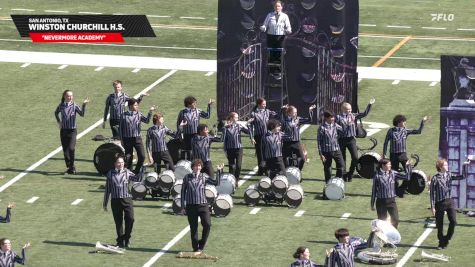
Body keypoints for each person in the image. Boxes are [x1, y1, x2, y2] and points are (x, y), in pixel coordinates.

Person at [180, 160, 223, 254]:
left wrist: (219, 171)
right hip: (191, 206)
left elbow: (216, 183)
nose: (198, 167)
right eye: (196, 166)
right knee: (194, 228)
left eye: (199, 166)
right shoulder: (187, 177)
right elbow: (183, 192)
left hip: (203, 205)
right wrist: (182, 207)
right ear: (192, 167)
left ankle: (201, 245)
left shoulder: (204, 176)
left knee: (207, 225)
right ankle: (196, 248)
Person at [103, 156, 143, 248]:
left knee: (130, 218)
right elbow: (107, 189)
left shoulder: (127, 172)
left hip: (127, 199)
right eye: (118, 162)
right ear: (115, 164)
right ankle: (120, 241)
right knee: (118, 222)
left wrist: (141, 171)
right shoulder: (110, 174)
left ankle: (127, 238)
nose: (120, 164)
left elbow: (138, 179)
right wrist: (105, 203)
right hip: (115, 200)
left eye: (122, 162)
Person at [430, 158, 470, 249]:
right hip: (439, 203)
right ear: (440, 167)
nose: (447, 166)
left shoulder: (449, 175)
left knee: (453, 221)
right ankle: (441, 242)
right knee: (439, 225)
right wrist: (433, 207)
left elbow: (462, 177)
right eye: (445, 165)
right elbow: (432, 194)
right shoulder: (435, 178)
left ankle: (446, 239)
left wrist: (464, 165)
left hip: (449, 201)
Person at [336, 99, 375, 182]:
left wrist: (370, 104)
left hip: (351, 139)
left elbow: (364, 114)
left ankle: (350, 173)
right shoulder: (338, 117)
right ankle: (343, 175)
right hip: (341, 140)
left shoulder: (353, 115)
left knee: (355, 157)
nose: (349, 111)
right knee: (342, 159)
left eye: (350, 109)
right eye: (347, 109)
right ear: (343, 109)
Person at [54, 90, 89, 174]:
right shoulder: (61, 105)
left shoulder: (74, 105)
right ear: (64, 97)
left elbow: (82, 114)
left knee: (71, 148)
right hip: (63, 131)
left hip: (72, 130)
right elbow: (56, 113)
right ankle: (70, 167)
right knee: (65, 150)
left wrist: (84, 105)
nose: (70, 97)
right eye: (68, 96)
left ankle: (72, 166)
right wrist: (59, 122)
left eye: (71, 96)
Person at [370, 159, 412, 228]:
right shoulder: (377, 176)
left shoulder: (393, 173)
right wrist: (372, 204)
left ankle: (392, 235)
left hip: (391, 201)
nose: (390, 165)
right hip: (381, 202)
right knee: (382, 222)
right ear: (383, 165)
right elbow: (374, 191)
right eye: (388, 164)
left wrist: (408, 166)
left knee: (396, 219)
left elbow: (407, 177)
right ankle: (383, 237)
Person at [120, 98, 154, 174]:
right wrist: (121, 139)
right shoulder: (123, 115)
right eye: (135, 105)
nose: (137, 106)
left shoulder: (139, 114)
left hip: (137, 139)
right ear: (130, 106)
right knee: (128, 157)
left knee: (142, 156)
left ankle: (137, 171)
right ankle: (128, 173)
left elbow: (147, 121)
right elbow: (121, 129)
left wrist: (150, 112)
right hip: (127, 139)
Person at [260, 0, 292, 73]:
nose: (277, 7)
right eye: (276, 6)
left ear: (281, 7)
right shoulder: (269, 15)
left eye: (278, 6)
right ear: (274, 7)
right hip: (271, 37)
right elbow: (265, 25)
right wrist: (263, 27)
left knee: (278, 53)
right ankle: (272, 69)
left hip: (280, 37)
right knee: (272, 53)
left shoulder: (285, 16)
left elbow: (288, 26)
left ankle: (278, 70)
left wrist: (289, 30)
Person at [281, 104, 315, 170]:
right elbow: (280, 130)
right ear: (289, 113)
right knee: (284, 159)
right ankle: (286, 174)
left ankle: (297, 172)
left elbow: (309, 120)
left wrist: (310, 111)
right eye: (294, 112)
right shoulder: (284, 120)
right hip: (286, 143)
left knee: (302, 159)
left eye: (296, 112)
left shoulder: (298, 119)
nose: (296, 114)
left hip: (296, 143)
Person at [249, 98, 278, 175]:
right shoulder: (253, 114)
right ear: (259, 104)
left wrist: (283, 109)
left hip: (267, 136)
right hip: (258, 136)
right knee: (260, 153)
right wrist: (251, 137)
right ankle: (261, 170)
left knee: (267, 153)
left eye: (265, 104)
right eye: (263, 104)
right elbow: (250, 127)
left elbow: (276, 114)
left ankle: (267, 169)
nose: (265, 106)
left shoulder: (267, 112)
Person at [222, 112, 252, 186]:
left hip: (239, 148)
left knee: (238, 166)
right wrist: (225, 149)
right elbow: (223, 139)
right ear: (231, 118)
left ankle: (236, 180)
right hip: (229, 149)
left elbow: (248, 132)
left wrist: (248, 125)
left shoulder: (239, 126)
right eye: (236, 117)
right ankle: (231, 181)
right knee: (231, 166)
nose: (237, 119)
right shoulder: (226, 127)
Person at [317, 111, 345, 184]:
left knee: (341, 166)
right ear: (326, 118)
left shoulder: (336, 125)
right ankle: (328, 186)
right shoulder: (321, 128)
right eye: (331, 117)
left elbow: (343, 131)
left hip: (336, 150)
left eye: (333, 117)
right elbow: (319, 142)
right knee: (328, 170)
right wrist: (321, 154)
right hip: (326, 152)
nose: (333, 119)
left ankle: (337, 182)